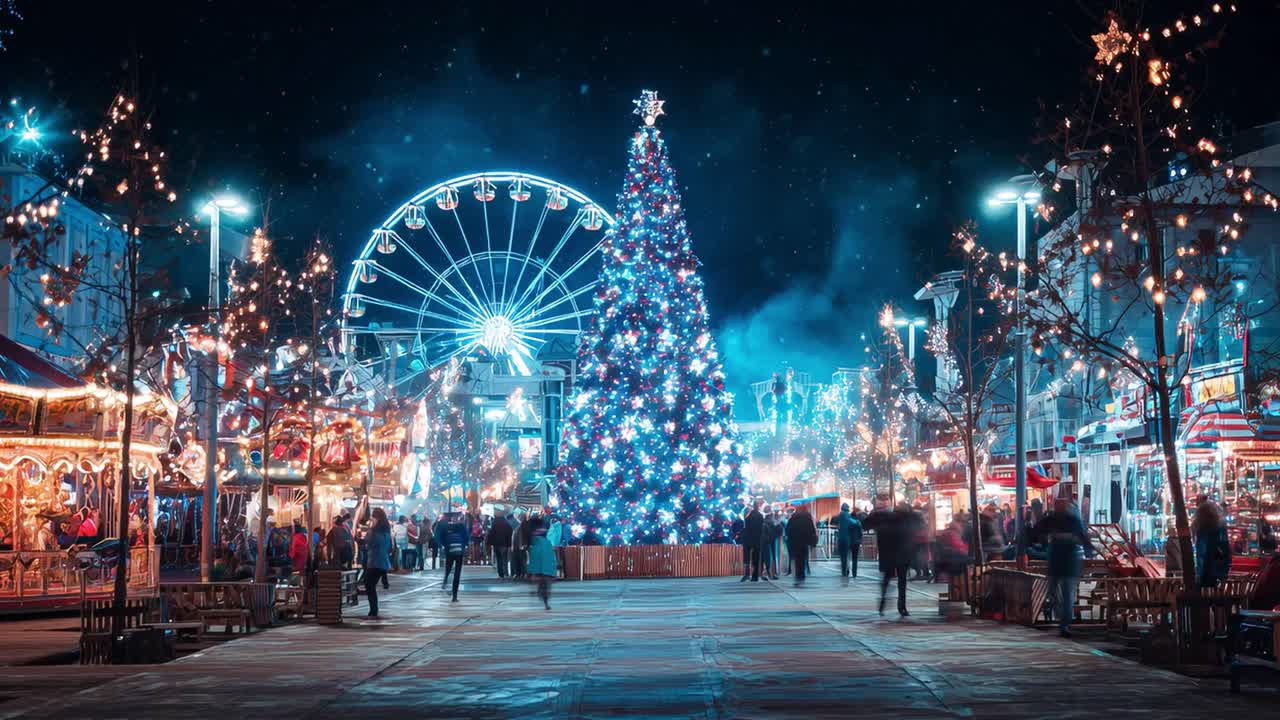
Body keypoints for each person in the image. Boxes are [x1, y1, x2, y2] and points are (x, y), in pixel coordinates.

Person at [1029, 498, 1092, 638]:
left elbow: (1083, 538)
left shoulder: (1071, 521)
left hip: (1065, 564)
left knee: (1065, 595)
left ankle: (1064, 623)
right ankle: (1062, 620)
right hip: (1060, 564)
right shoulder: (1053, 520)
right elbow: (1036, 532)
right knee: (1055, 593)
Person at [864, 501, 920, 617]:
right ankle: (902, 607)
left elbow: (866, 525)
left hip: (889, 555)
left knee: (886, 580)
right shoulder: (907, 520)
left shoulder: (885, 518)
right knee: (902, 582)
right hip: (902, 555)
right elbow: (912, 534)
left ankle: (883, 603)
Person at [1194, 501, 1232, 589]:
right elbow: (1226, 551)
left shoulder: (1203, 532)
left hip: (1207, 573)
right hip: (1218, 572)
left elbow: (1202, 555)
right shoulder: (1220, 529)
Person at [363, 508, 392, 618]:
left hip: (374, 562)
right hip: (383, 562)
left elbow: (367, 541)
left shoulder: (374, 532)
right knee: (371, 585)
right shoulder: (386, 531)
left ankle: (373, 610)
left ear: (377, 518)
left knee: (369, 585)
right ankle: (373, 609)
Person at [527, 515, 558, 609]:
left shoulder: (534, 542)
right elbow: (551, 557)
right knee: (546, 583)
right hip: (546, 569)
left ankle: (544, 598)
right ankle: (545, 600)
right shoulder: (546, 543)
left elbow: (532, 559)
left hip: (541, 568)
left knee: (543, 582)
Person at [437, 511, 469, 602]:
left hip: (449, 550)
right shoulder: (461, 526)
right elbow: (466, 538)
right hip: (459, 550)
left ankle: (446, 581)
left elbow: (440, 538)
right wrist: (464, 546)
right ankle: (454, 596)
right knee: (457, 573)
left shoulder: (444, 527)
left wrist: (444, 546)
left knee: (449, 568)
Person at [784, 503, 818, 586]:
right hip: (804, 542)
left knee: (797, 559)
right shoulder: (808, 518)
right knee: (803, 559)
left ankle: (797, 577)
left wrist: (790, 538)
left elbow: (788, 529)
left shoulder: (793, 518)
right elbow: (812, 530)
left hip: (795, 542)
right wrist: (812, 542)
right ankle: (802, 576)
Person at [834, 503, 863, 580]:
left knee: (843, 557)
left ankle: (844, 571)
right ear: (847, 509)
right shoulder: (847, 516)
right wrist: (858, 522)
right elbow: (853, 523)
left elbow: (834, 522)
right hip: (847, 539)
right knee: (849, 556)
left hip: (840, 538)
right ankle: (852, 573)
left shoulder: (839, 516)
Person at [740, 499, 765, 582]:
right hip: (757, 539)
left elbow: (745, 526)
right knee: (756, 558)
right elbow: (762, 528)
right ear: (757, 507)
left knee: (747, 557)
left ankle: (746, 574)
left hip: (748, 539)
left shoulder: (748, 516)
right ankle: (755, 576)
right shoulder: (760, 516)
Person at [486, 510, 514, 579]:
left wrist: (489, 543)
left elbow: (491, 533)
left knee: (499, 559)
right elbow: (510, 532)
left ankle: (501, 574)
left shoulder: (494, 522)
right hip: (505, 544)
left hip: (497, 543)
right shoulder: (506, 522)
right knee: (505, 558)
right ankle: (506, 573)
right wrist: (509, 544)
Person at [547, 514, 567, 578]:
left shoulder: (552, 526)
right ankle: (555, 573)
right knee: (555, 558)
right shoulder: (558, 525)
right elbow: (556, 536)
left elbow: (551, 535)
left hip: (552, 544)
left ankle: (553, 573)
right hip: (555, 544)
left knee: (554, 558)